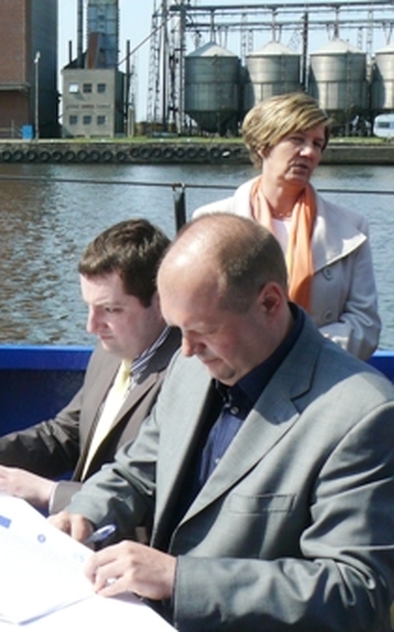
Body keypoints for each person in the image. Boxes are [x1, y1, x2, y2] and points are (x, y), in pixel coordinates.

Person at [49, 213, 394, 631]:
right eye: (178, 329)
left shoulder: (363, 413)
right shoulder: (190, 368)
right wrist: (85, 513)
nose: (187, 350)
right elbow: (139, 469)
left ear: (270, 303)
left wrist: (179, 580)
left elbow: (356, 591)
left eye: (203, 330)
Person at [0, 219, 179, 513]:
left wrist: (49, 492)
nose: (91, 326)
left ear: (160, 303)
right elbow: (64, 436)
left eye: (110, 310)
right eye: (88, 307)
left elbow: (159, 496)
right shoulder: (110, 353)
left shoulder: (184, 379)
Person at [193, 91, 379, 359]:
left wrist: (296, 352)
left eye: (317, 144)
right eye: (297, 139)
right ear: (263, 145)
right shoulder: (211, 222)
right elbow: (195, 313)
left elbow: (365, 325)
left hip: (320, 370)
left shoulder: (352, 229)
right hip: (238, 369)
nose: (309, 152)